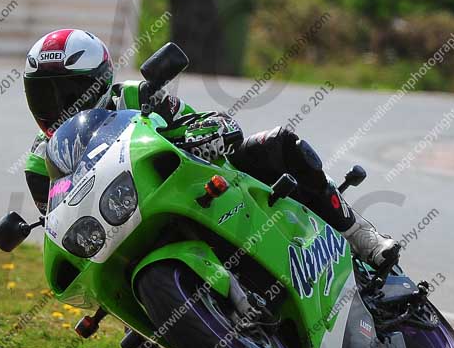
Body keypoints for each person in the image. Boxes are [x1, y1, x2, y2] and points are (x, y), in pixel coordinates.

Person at [22, 29, 399, 269]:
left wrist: (209, 134)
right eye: (44, 94)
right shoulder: (41, 163)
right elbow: (59, 224)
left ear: (101, 82)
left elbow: (201, 120)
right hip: (128, 229)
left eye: (70, 92)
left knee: (281, 144)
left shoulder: (137, 96)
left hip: (201, 184)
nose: (58, 105)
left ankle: (359, 237)